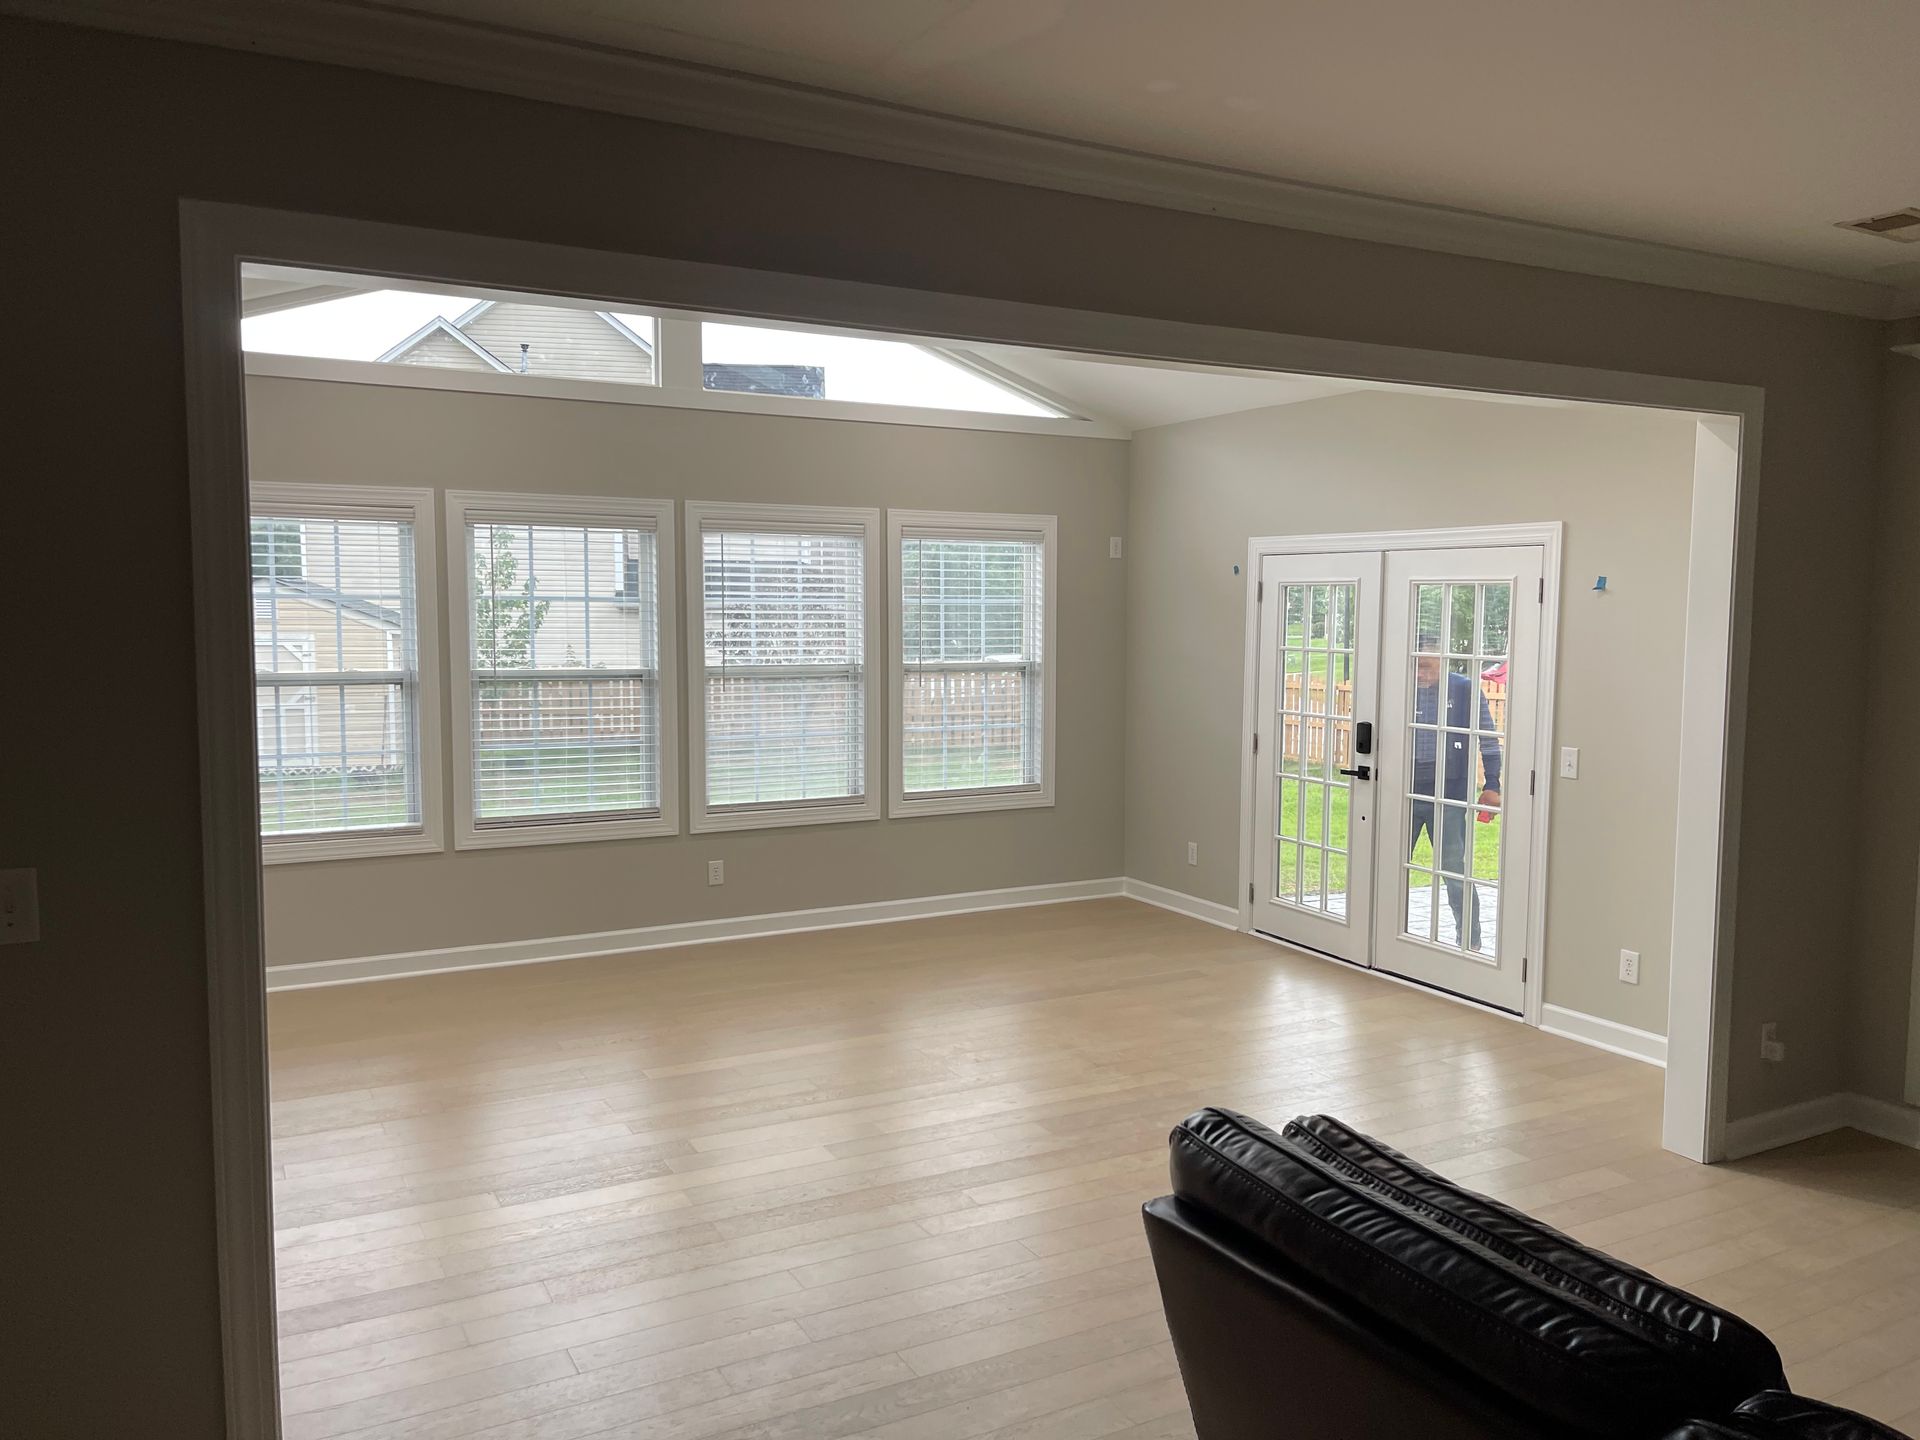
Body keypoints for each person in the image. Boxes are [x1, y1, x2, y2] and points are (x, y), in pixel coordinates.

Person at [1410, 634, 1502, 951]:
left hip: (1448, 793)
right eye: (1417, 667)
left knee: (1453, 869)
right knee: (1388, 865)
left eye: (1428, 668)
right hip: (1403, 791)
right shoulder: (1400, 686)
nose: (1421, 674)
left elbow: (1487, 738)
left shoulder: (1463, 689)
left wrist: (1492, 784)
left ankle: (1470, 941)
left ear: (1444, 663)